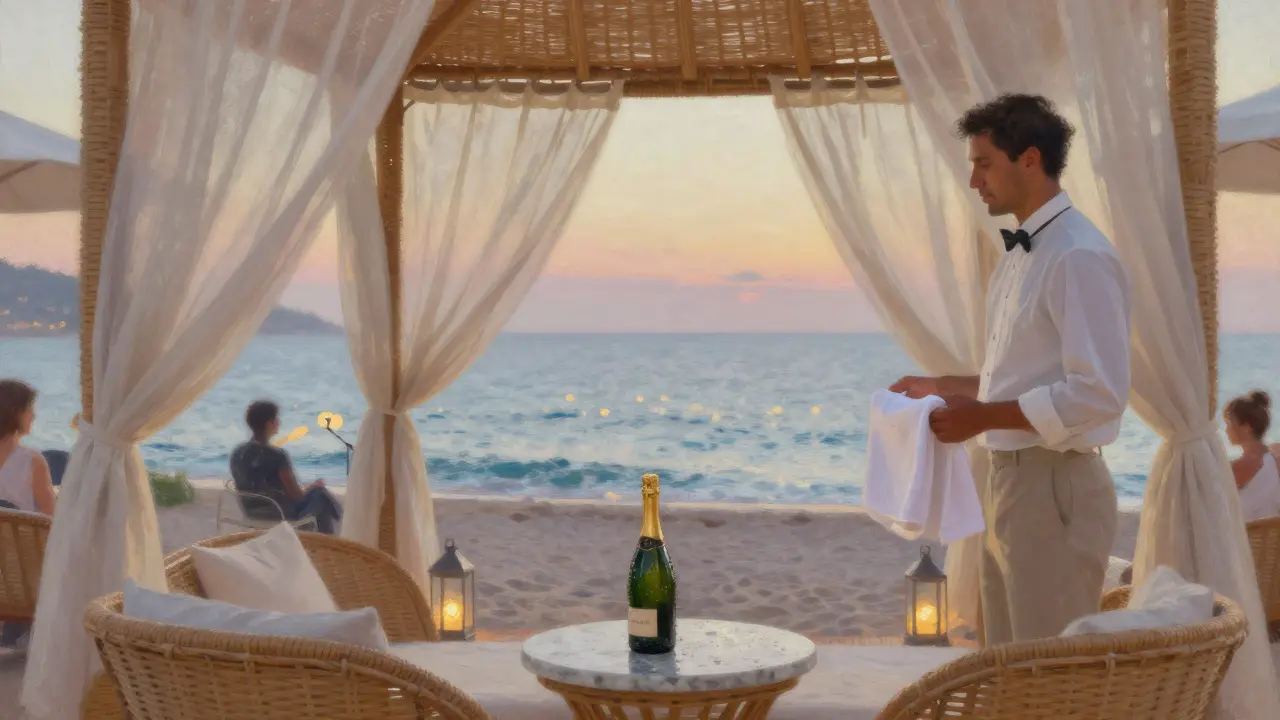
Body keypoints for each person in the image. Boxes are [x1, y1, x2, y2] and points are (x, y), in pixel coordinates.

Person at [891, 94, 1131, 644]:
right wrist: (941, 387)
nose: (974, 180)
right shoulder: (1021, 258)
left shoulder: (1078, 256)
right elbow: (1018, 379)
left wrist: (980, 418)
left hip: (1054, 481)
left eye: (983, 162)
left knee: (1047, 672)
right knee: (1007, 661)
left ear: (1028, 159)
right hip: (1007, 481)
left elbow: (1098, 393)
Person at [230, 400, 343, 534]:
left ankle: (326, 541)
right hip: (281, 515)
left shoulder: (237, 453)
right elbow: (297, 496)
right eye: (276, 419)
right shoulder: (277, 455)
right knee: (320, 494)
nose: (278, 422)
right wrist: (313, 487)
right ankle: (337, 532)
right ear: (269, 423)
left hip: (252, 513)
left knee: (319, 498)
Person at [0, 379, 56, 650]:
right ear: (14, 413)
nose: (33, 415)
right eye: (29, 409)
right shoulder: (32, 461)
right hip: (20, 572)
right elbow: (51, 520)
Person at [1224, 390, 1280, 522]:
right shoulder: (1274, 458)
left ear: (1247, 427)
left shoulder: (1238, 467)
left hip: (1245, 539)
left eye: (1229, 424)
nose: (1226, 430)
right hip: (1271, 538)